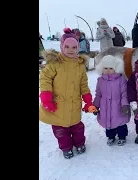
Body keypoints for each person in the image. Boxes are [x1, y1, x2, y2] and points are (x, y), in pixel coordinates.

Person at [39, 28, 93, 159]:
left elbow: (83, 84)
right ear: (62, 47)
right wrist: (46, 97)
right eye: (67, 46)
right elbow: (45, 78)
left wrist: (87, 99)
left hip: (74, 104)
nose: (70, 50)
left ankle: (80, 143)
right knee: (60, 130)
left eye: (74, 47)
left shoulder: (80, 65)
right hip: (57, 104)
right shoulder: (54, 64)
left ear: (78, 48)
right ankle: (66, 148)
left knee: (77, 127)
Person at [88, 55, 130, 146]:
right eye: (105, 68)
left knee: (120, 124)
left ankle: (122, 136)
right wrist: (96, 106)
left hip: (118, 107)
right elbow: (98, 94)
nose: (108, 70)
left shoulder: (121, 80)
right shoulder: (100, 81)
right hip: (105, 107)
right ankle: (111, 137)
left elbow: (124, 94)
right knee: (108, 123)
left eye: (111, 68)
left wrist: (125, 105)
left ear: (116, 68)